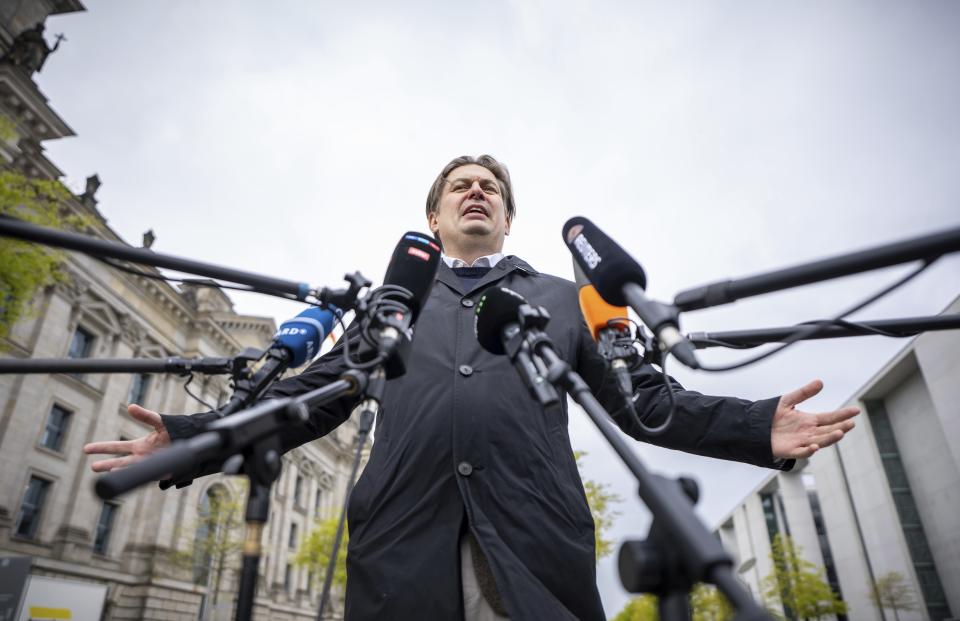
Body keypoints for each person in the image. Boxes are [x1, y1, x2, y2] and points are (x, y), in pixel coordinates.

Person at [85, 154, 859, 620]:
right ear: (434, 212)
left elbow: (644, 402)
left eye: (491, 186)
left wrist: (757, 427)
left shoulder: (563, 296)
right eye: (460, 184)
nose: (477, 191)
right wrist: (186, 441)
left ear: (509, 218)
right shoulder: (393, 300)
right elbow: (310, 397)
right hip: (400, 544)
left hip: (531, 545)